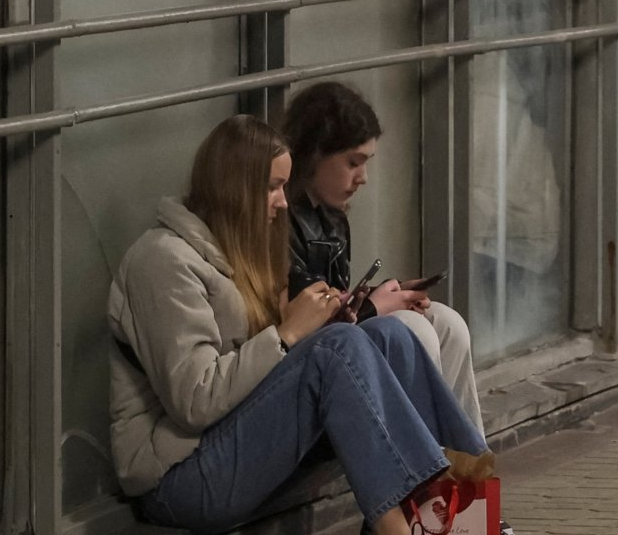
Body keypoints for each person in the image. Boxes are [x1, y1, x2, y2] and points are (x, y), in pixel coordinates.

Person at [108, 114, 493, 534]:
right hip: (180, 475)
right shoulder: (164, 261)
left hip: (243, 446)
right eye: (272, 187)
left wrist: (325, 321)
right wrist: (288, 334)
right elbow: (196, 402)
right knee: (335, 348)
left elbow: (271, 376)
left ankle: (471, 517)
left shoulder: (244, 251)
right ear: (235, 187)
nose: (283, 203)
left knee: (391, 335)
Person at [280, 82, 485, 432]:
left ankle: (466, 455)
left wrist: (385, 295)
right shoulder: (280, 218)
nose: (363, 178)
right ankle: (424, 457)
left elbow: (336, 301)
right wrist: (374, 308)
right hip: (308, 362)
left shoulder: (331, 216)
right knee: (413, 329)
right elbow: (309, 322)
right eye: (353, 162)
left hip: (337, 339)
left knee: (449, 325)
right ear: (314, 154)